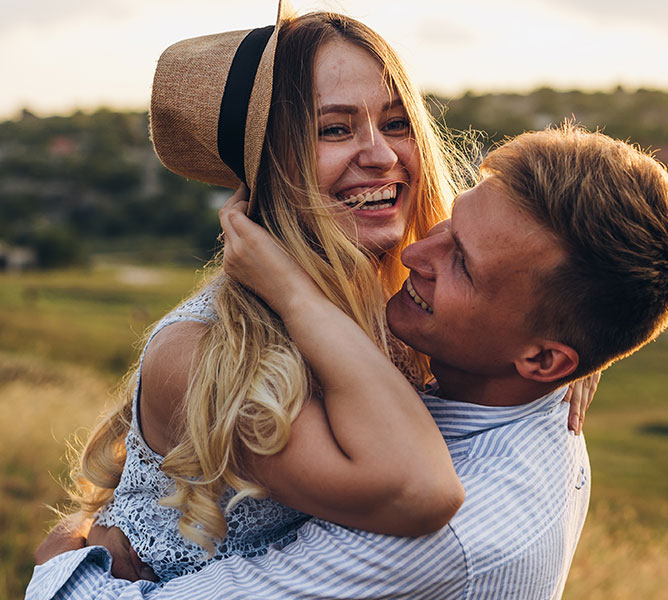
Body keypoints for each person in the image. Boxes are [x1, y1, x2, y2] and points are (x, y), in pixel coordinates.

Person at [30, 3, 595, 588]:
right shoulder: (208, 355)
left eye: (396, 123)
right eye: (334, 129)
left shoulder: (405, 298)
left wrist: (560, 349)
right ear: (271, 165)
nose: (381, 155)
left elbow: (543, 312)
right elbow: (415, 489)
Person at [27, 124, 668, 599]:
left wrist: (68, 555)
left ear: (546, 359)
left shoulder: (445, 540)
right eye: (451, 225)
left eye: (460, 263)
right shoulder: (524, 385)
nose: (414, 255)